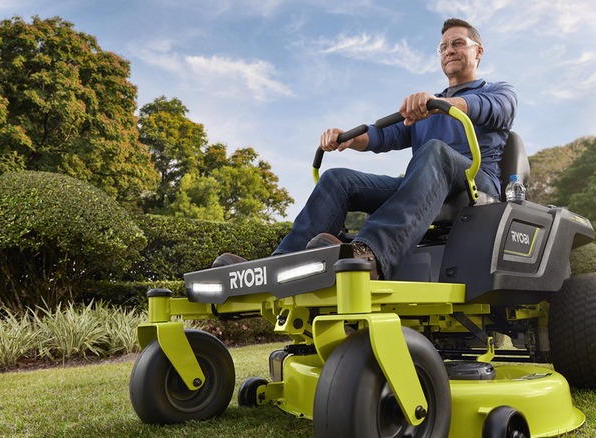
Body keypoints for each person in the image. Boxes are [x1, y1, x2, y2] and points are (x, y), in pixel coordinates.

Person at [216, 18, 517, 280]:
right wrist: (347, 139)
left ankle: (370, 253)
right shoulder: (425, 108)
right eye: (443, 47)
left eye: (457, 43)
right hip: (424, 183)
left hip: (475, 181)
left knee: (434, 150)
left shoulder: (497, 91)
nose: (449, 50)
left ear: (478, 51)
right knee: (337, 179)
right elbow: (383, 136)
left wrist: (442, 106)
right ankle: (281, 264)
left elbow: (492, 109)